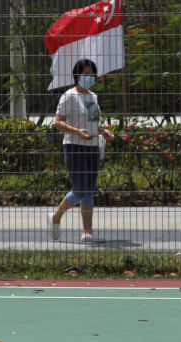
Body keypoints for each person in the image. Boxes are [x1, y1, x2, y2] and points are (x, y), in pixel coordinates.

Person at [49, 59, 114, 243]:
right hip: (74, 146)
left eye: (92, 74)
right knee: (80, 190)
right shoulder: (69, 96)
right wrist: (77, 132)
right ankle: (56, 216)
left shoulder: (93, 97)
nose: (89, 77)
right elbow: (57, 122)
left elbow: (91, 123)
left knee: (89, 190)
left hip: (92, 147)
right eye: (85, 74)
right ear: (77, 76)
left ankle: (87, 232)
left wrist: (103, 131)